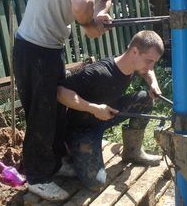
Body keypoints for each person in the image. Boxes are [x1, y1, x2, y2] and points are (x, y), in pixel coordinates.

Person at [13, 0, 154, 201]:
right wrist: (89, 23)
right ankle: (37, 176)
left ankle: (53, 163)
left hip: (51, 46)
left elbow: (103, 0)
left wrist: (101, 14)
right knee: (41, 114)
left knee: (54, 109)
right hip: (33, 47)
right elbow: (80, 3)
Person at [57, 30, 164, 191]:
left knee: (145, 99)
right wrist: (93, 108)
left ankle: (133, 152)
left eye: (153, 62)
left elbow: (148, 70)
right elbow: (60, 92)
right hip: (81, 128)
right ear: (134, 51)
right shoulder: (98, 73)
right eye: (149, 61)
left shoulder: (134, 64)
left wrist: (153, 83)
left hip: (107, 115)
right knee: (97, 183)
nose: (150, 66)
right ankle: (67, 156)